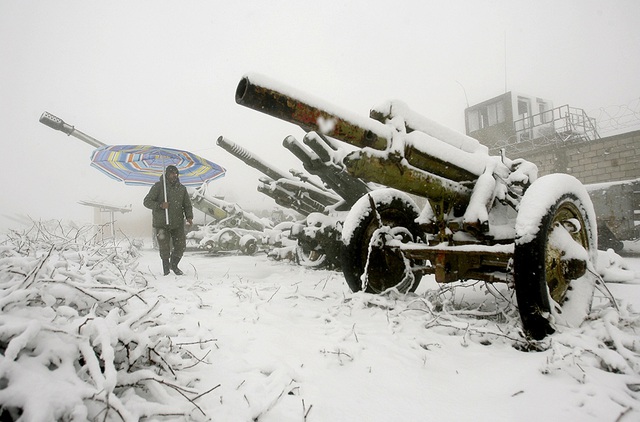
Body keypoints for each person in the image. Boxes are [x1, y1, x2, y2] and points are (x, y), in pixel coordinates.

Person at [143, 165, 193, 275]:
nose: (174, 175)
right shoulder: (158, 187)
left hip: (177, 222)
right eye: (172, 173)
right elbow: (146, 201)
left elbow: (187, 205)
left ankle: (174, 265)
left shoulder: (181, 188)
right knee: (164, 248)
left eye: (176, 173)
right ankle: (166, 270)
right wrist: (160, 205)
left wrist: (189, 217)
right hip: (162, 223)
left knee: (181, 246)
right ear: (167, 174)